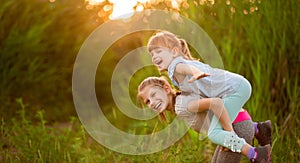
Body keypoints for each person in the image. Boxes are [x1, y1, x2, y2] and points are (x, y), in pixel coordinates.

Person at [137, 76, 272, 162]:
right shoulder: (181, 101)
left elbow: (215, 103)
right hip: (240, 124)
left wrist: (230, 134)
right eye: (148, 101)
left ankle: (257, 154)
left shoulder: (182, 105)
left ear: (166, 88)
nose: (152, 102)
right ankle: (258, 128)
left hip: (237, 129)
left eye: (154, 94)